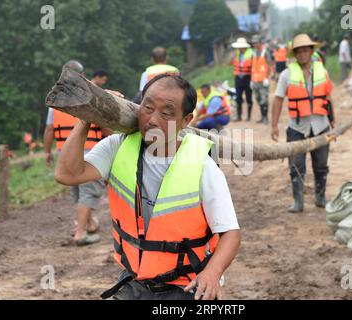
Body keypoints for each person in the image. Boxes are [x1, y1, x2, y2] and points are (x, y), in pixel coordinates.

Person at [54, 74, 241, 300]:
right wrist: (86, 118)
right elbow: (66, 173)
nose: (152, 120)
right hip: (134, 279)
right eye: (148, 107)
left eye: (166, 113)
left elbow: (230, 232)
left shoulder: (202, 166)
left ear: (186, 120)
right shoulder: (118, 147)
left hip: (186, 284)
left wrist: (212, 272)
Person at [44, 60, 112, 246]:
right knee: (88, 192)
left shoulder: (55, 100)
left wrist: (46, 151)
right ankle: (80, 233)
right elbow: (105, 129)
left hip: (64, 153)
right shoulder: (90, 97)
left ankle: (89, 224)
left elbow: (49, 129)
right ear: (82, 75)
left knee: (77, 190)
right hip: (89, 150)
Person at [270, 34, 335, 213]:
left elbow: (328, 97)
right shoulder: (286, 74)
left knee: (321, 165)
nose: (303, 54)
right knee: (296, 166)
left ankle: (320, 197)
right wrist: (274, 125)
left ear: (311, 51)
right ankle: (298, 202)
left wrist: (332, 119)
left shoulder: (323, 71)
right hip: (297, 128)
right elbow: (278, 100)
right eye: (299, 51)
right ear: (295, 54)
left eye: (306, 50)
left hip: (321, 126)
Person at [230, 37, 253, 122]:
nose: (239, 48)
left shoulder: (251, 53)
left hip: (248, 77)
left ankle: (249, 116)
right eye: (238, 47)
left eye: (241, 47)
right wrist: (232, 57)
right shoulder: (236, 54)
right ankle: (239, 116)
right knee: (238, 97)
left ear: (244, 47)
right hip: (238, 77)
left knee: (248, 97)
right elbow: (229, 63)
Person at [250, 35, 271, 124]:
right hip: (255, 80)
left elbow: (270, 65)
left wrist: (268, 77)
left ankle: (265, 117)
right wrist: (251, 80)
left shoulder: (265, 52)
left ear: (260, 43)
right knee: (258, 98)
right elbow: (252, 67)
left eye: (256, 43)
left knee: (264, 99)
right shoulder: (253, 53)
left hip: (263, 80)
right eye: (253, 43)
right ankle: (262, 116)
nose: (254, 44)